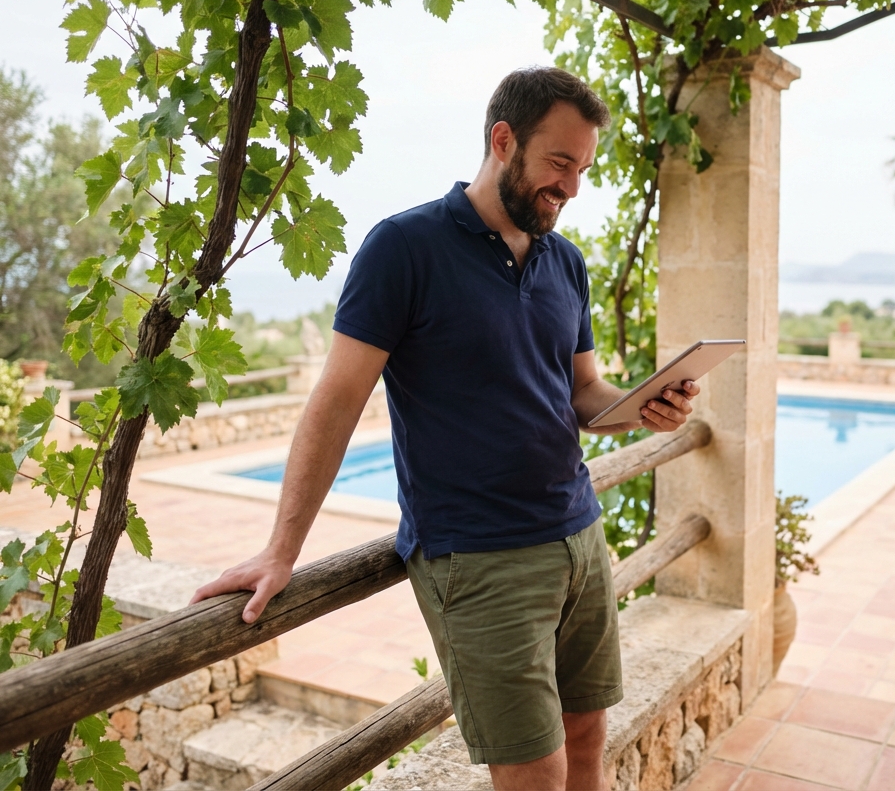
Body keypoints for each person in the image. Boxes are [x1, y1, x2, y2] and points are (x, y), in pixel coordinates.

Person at [191, 66, 699, 791]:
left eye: (582, 169)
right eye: (559, 163)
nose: (571, 187)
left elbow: (584, 392)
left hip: (578, 535)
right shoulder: (403, 248)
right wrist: (282, 550)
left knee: (588, 735)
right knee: (534, 770)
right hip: (480, 557)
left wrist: (641, 405)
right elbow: (336, 402)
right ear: (503, 140)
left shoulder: (565, 261)